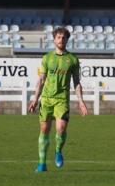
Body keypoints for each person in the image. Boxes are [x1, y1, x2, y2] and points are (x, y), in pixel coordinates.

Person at [27, 27, 88, 172]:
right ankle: (42, 164)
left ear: (67, 40)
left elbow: (77, 82)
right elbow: (41, 79)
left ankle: (58, 151)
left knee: (60, 128)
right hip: (47, 99)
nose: (61, 40)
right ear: (54, 40)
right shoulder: (47, 58)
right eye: (59, 37)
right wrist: (35, 99)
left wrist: (81, 101)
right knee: (44, 130)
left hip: (62, 99)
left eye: (64, 37)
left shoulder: (72, 59)